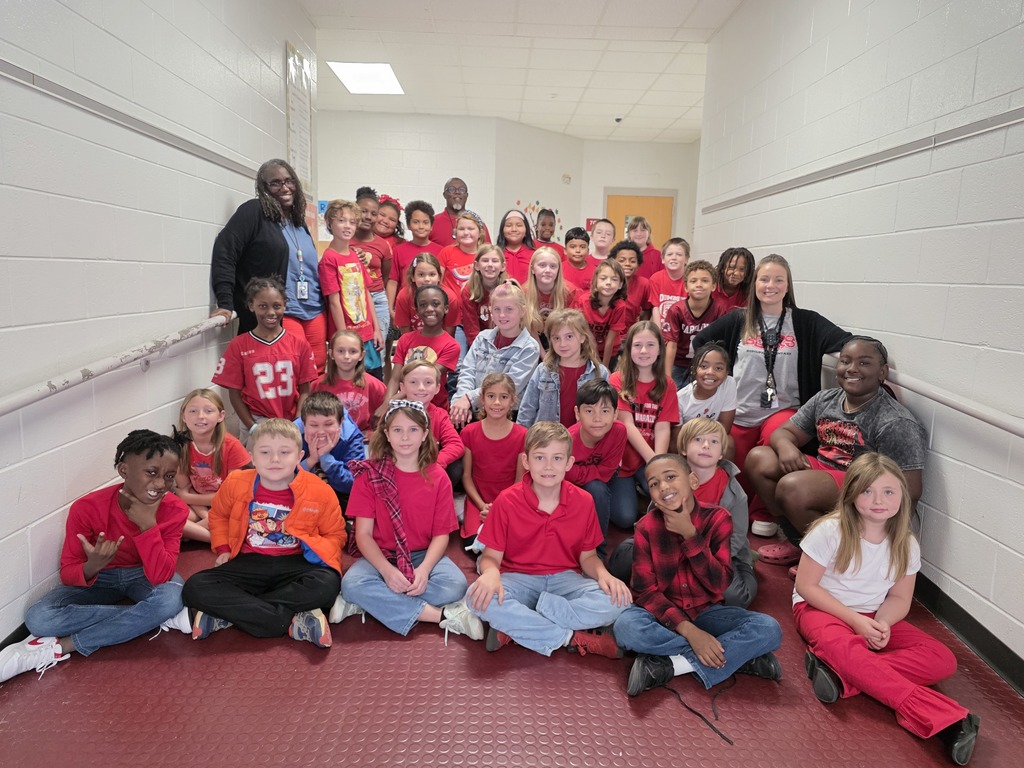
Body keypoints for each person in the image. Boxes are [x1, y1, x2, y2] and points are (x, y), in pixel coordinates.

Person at [793, 454, 980, 766]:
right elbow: (807, 586)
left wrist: (883, 623)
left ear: (902, 496)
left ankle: (844, 678)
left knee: (942, 659)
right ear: (851, 493)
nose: (878, 500)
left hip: (873, 614)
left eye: (889, 492)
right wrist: (854, 620)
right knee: (844, 647)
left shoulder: (906, 543)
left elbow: (899, 598)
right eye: (867, 491)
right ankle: (947, 719)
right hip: (822, 609)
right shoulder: (830, 530)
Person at [2, 431, 189, 683]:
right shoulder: (87, 508)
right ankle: (147, 617)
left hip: (142, 574)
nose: (160, 484)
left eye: (168, 476)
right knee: (39, 618)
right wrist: (92, 566)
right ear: (124, 470)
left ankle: (62, 646)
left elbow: (161, 574)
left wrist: (148, 527)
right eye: (151, 473)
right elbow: (68, 572)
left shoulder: (176, 510)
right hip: (101, 578)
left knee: (170, 598)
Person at [693, 253, 851, 537]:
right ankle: (733, 511)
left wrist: (873, 356)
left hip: (783, 411)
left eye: (779, 280)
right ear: (754, 284)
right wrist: (717, 373)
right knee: (737, 473)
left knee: (780, 439)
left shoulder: (805, 322)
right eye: (764, 279)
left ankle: (765, 512)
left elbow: (848, 341)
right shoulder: (738, 319)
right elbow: (701, 342)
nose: (771, 285)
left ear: (788, 286)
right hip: (740, 411)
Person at [746, 336, 927, 567]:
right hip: (826, 471)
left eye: (864, 363)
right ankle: (801, 544)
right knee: (759, 459)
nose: (852, 368)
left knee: (794, 487)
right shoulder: (826, 399)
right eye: (845, 361)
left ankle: (838, 561)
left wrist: (876, 519)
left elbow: (910, 490)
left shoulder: (895, 421)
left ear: (882, 372)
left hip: (862, 485)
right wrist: (787, 447)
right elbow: (783, 433)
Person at [613, 453, 782, 697]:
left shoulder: (718, 519)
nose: (664, 487)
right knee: (627, 627)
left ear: (693, 481)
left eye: (671, 477)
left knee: (769, 628)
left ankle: (670, 665)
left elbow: (720, 583)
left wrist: (690, 536)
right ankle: (739, 659)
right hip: (666, 616)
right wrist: (692, 634)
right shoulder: (646, 528)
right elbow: (645, 592)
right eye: (654, 483)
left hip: (707, 611)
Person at [466, 422, 633, 657]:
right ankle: (570, 638)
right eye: (540, 457)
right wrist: (491, 573)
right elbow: (490, 557)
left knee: (621, 600)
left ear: (569, 463)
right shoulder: (506, 501)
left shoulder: (584, 501)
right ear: (526, 461)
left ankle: (520, 626)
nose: (548, 466)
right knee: (475, 597)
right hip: (518, 578)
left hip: (564, 580)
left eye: (557, 458)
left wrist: (605, 575)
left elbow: (588, 557)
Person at [181, 419, 344, 647]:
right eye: (265, 452)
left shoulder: (319, 490)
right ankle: (290, 620)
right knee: (194, 588)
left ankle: (231, 614)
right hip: (249, 561)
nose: (275, 459)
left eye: (284, 452)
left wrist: (321, 556)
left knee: (328, 585)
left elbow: (336, 534)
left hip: (296, 562)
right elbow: (219, 515)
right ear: (252, 457)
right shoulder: (237, 482)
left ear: (299, 456)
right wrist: (224, 549)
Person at [339, 400, 483, 642]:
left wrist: (424, 570)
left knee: (456, 585)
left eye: (413, 429)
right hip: (381, 555)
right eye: (397, 430)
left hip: (422, 553)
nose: (405, 437)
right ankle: (442, 615)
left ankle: (374, 603)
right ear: (386, 433)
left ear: (426, 434)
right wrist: (386, 571)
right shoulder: (370, 475)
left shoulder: (438, 477)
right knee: (351, 584)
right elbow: (363, 535)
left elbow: (441, 535)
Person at [609, 419, 756, 608]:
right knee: (621, 561)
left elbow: (735, 540)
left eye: (714, 441)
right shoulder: (667, 482)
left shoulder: (735, 493)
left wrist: (694, 560)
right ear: (684, 449)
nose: (706, 446)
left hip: (712, 555)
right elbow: (653, 524)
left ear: (721, 453)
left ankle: (747, 567)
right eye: (698, 440)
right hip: (667, 549)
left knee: (736, 597)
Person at [210, 159, 326, 371]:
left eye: (289, 181)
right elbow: (225, 252)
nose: (284, 187)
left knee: (317, 368)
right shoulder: (254, 212)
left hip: (314, 310)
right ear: (263, 188)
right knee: (294, 368)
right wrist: (225, 303)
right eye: (275, 183)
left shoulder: (298, 222)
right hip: (283, 312)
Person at [211, 276, 318, 443]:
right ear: (251, 305)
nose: (270, 312)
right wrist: (252, 426)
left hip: (290, 422)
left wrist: (298, 422)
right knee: (256, 467)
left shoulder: (299, 344)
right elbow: (234, 394)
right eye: (263, 306)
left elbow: (305, 390)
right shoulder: (238, 345)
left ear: (285, 305)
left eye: (276, 306)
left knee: (290, 466)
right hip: (255, 421)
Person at [608, 321, 680, 529]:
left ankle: (645, 488)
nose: (644, 351)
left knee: (672, 497)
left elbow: (663, 426)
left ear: (660, 349)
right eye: (637, 345)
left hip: (649, 458)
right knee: (625, 518)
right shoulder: (617, 380)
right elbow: (627, 425)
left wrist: (659, 464)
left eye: (650, 345)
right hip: (623, 461)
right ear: (629, 349)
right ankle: (637, 494)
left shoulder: (667, 384)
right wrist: (653, 461)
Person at [450, 281, 540, 428]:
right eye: (497, 309)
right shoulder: (482, 338)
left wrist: (468, 398)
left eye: (509, 309)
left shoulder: (529, 348)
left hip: (505, 414)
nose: (502, 315)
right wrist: (460, 401)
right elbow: (467, 372)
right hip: (473, 409)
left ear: (522, 311)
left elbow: (509, 387)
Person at [318, 199, 384, 377]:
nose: (347, 226)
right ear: (330, 223)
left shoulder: (355, 255)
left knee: (374, 379)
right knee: (350, 383)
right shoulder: (329, 259)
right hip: (347, 336)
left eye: (352, 222)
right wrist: (343, 338)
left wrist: (376, 329)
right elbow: (334, 302)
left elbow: (367, 293)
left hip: (368, 332)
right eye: (341, 221)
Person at [460, 373, 527, 548]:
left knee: (512, 541)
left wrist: (499, 507)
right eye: (491, 396)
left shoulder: (522, 435)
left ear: (512, 400)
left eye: (503, 397)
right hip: (478, 500)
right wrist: (483, 505)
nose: (497, 403)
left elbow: (519, 481)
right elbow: (466, 476)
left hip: (509, 501)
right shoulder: (469, 432)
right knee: (474, 543)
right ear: (482, 399)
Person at [174, 389, 251, 542]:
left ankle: (191, 535)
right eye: (193, 411)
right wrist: (208, 516)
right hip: (199, 504)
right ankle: (216, 537)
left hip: (228, 503)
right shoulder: (178, 446)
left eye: (208, 411)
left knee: (238, 514)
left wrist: (188, 498)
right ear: (184, 416)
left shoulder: (231, 446)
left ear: (221, 416)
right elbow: (185, 491)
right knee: (178, 516)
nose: (200, 416)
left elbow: (229, 497)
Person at [565, 379, 627, 559]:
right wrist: (591, 473)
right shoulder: (569, 439)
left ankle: (597, 552)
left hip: (607, 478)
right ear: (577, 413)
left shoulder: (619, 431)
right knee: (595, 488)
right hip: (573, 485)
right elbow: (564, 473)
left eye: (605, 411)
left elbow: (607, 472)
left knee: (622, 514)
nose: (597, 418)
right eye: (589, 411)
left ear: (615, 414)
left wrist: (579, 472)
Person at [517, 308, 607, 429]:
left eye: (569, 336)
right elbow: (527, 409)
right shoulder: (543, 370)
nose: (562, 344)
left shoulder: (599, 372)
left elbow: (607, 411)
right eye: (556, 338)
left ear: (582, 337)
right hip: (547, 440)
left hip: (585, 441)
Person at [384, 285, 461, 412]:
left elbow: (424, 378)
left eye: (436, 304)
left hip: (434, 410)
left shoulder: (452, 346)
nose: (430, 309)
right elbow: (395, 378)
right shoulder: (405, 339)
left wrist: (392, 403)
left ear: (446, 308)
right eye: (423, 305)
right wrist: (387, 404)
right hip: (405, 408)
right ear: (417, 310)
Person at [395, 360, 466, 486]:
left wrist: (436, 463)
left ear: (437, 388)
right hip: (399, 468)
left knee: (455, 469)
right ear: (402, 387)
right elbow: (381, 447)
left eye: (428, 382)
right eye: (413, 382)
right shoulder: (393, 415)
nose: (421, 388)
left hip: (429, 468)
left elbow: (456, 445)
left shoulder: (440, 415)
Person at [663, 259, 728, 389]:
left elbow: (721, 345)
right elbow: (671, 346)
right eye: (693, 281)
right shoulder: (676, 310)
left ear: (713, 286)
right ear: (686, 287)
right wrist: (667, 377)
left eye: (705, 280)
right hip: (679, 363)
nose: (699, 284)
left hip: (706, 365)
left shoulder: (720, 309)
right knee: (672, 396)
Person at [312, 329, 388, 439]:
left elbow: (388, 419)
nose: (346, 356)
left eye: (353, 351)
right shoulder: (318, 385)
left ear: (361, 355)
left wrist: (376, 434)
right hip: (327, 441)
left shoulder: (375, 385)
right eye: (341, 351)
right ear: (331, 354)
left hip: (363, 443)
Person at [295, 391, 364, 502]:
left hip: (339, 497)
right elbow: (282, 480)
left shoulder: (351, 437)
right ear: (304, 423)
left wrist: (326, 458)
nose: (321, 431)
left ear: (341, 423)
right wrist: (311, 460)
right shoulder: (292, 435)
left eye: (328, 424)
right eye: (314, 425)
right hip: (300, 497)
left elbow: (356, 485)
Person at [673, 342, 738, 456]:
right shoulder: (680, 399)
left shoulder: (729, 384)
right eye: (704, 366)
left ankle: (722, 473)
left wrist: (706, 441)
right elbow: (677, 440)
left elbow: (724, 428)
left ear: (727, 372)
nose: (710, 372)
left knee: (728, 442)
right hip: (688, 444)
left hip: (713, 438)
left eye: (718, 368)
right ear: (694, 370)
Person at [353, 186, 394, 347]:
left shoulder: (383, 245)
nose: (368, 217)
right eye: (363, 211)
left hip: (377, 299)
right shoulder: (345, 240)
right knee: (355, 348)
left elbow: (385, 275)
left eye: (373, 213)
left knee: (378, 349)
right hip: (353, 299)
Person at [523, 246, 582, 352]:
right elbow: (529, 330)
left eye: (553, 266)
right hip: (532, 343)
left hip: (563, 341)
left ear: (559, 269)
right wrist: (544, 356)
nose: (547, 270)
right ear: (532, 268)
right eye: (542, 265)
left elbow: (573, 329)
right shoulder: (524, 293)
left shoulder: (570, 292)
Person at [388, 201, 443, 314]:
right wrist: (390, 308)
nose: (421, 226)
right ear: (409, 225)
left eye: (425, 222)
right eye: (416, 222)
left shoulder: (441, 251)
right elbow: (393, 281)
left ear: (431, 226)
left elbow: (442, 282)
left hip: (432, 309)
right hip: (406, 307)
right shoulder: (399, 250)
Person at [393, 253, 460, 337]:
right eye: (421, 275)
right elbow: (405, 333)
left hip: (441, 344)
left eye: (432, 274)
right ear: (413, 277)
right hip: (414, 345)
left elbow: (449, 334)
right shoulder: (404, 296)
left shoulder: (450, 297)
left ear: (439, 277)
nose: (427, 279)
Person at [580, 259, 628, 370]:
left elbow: (610, 340)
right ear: (596, 281)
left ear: (620, 284)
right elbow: (588, 336)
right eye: (603, 278)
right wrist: (596, 363)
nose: (608, 282)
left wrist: (604, 368)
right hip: (587, 349)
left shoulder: (620, 306)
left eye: (614, 279)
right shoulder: (584, 301)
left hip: (610, 352)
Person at [460, 244, 508, 347]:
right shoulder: (469, 291)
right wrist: (482, 351)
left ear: (503, 266)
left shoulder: (509, 288)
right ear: (477, 265)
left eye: (495, 261)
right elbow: (471, 330)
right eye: (485, 260)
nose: (490, 264)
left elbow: (514, 326)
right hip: (479, 343)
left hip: (506, 341)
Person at [429, 177, 491, 246]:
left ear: (466, 195)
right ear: (445, 195)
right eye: (452, 189)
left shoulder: (478, 224)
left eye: (462, 190)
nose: (457, 192)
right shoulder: (432, 222)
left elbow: (488, 251)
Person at [438, 211, 487, 296]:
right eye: (461, 229)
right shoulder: (446, 252)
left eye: (470, 229)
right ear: (455, 232)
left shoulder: (486, 255)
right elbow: (437, 282)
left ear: (480, 232)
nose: (466, 233)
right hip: (450, 306)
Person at [648, 237, 690, 334]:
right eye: (669, 254)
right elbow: (656, 307)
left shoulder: (690, 279)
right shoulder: (655, 278)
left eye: (679, 254)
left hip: (683, 329)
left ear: (686, 259)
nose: (674, 257)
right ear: (663, 259)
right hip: (662, 328)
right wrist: (658, 333)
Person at [611, 240, 652, 329]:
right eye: (622, 260)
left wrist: (640, 329)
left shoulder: (643, 284)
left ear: (638, 264)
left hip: (630, 335)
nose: (627, 264)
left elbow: (647, 309)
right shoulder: (606, 282)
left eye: (632, 261)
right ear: (613, 262)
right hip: (606, 335)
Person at [496, 209, 536, 283]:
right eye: (508, 225)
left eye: (519, 225)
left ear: (526, 231)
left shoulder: (535, 255)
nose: (514, 229)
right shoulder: (496, 254)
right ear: (502, 230)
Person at [712, 247, 754, 312]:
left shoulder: (749, 292)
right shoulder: (710, 287)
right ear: (722, 268)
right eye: (731, 267)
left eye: (742, 269)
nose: (736, 273)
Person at [626, 215, 664, 280]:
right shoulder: (622, 254)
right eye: (635, 231)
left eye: (643, 230)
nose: (639, 234)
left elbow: (663, 279)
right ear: (629, 234)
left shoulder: (658, 255)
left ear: (649, 233)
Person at [562, 227, 596, 293]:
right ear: (565, 250)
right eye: (573, 247)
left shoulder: (595, 272)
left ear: (588, 251)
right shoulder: (558, 269)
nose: (578, 250)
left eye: (582, 247)